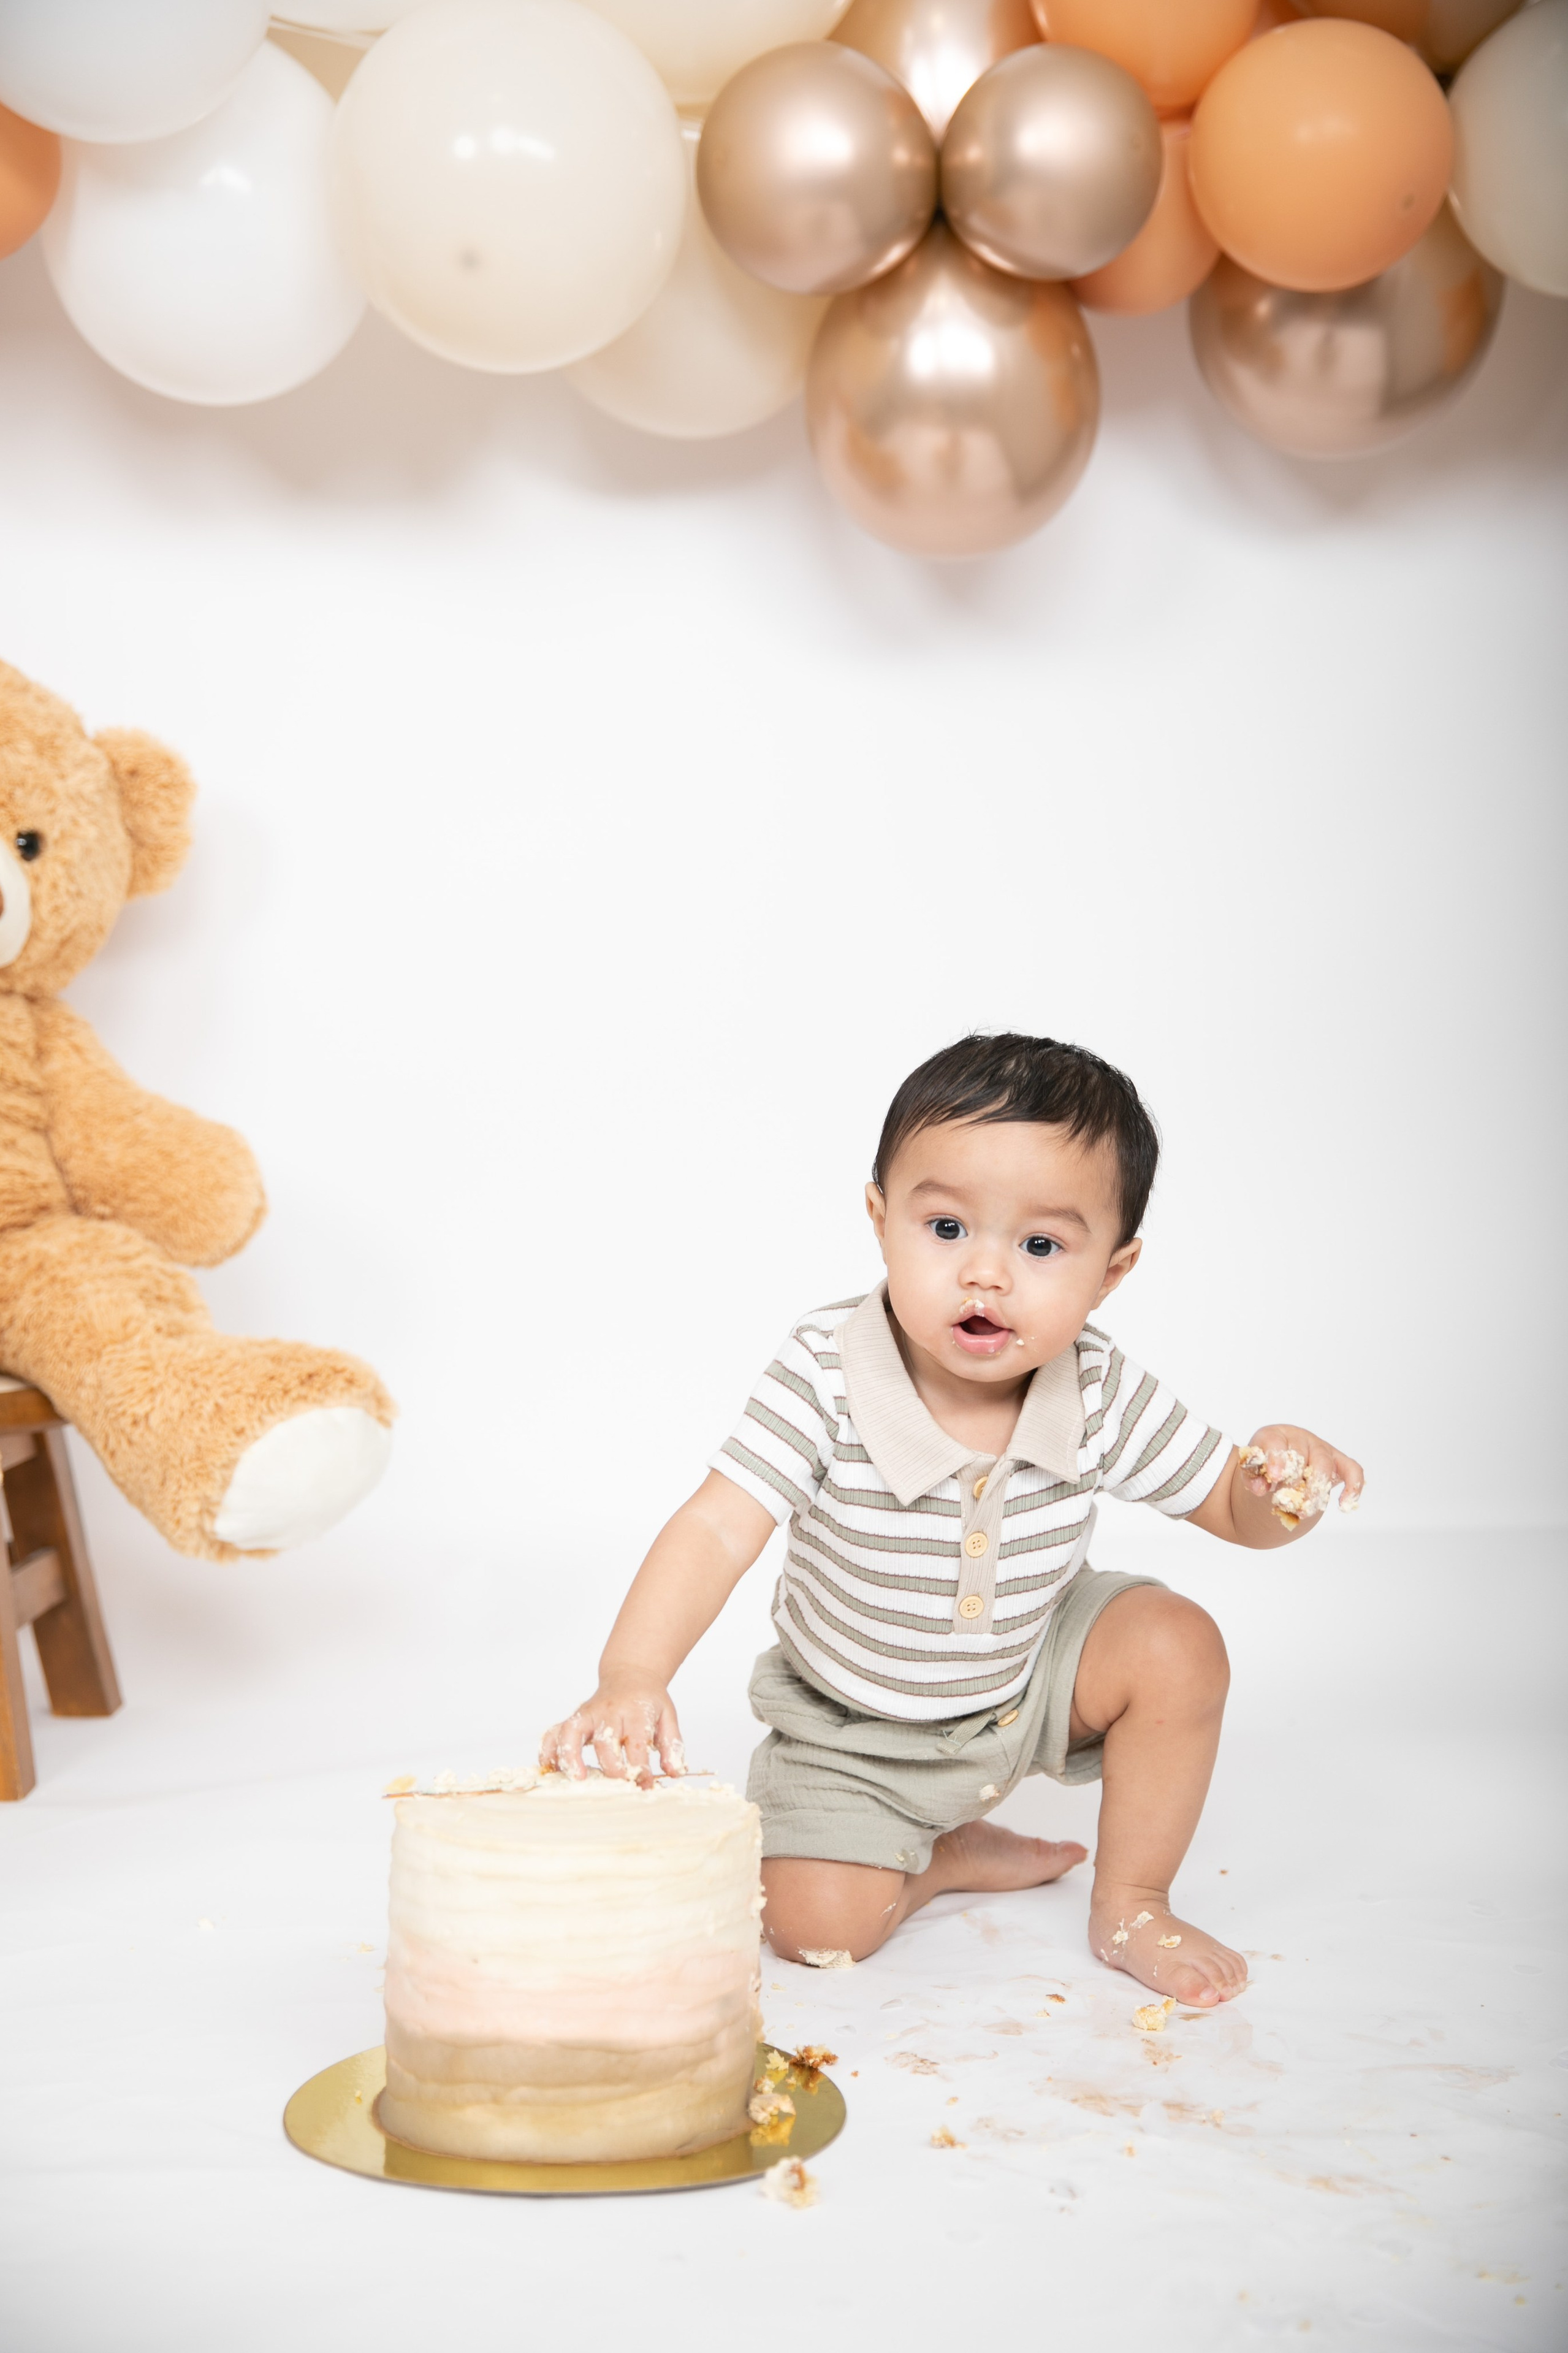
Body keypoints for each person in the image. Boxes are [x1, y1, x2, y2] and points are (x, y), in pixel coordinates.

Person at [541, 1033, 1363, 2007]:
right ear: (880, 1218)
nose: (985, 1274)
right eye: (944, 1230)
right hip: (856, 1724)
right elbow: (719, 1525)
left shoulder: (1094, 1384)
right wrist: (631, 1674)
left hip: (1022, 1682)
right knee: (814, 1930)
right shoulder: (826, 1370)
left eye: (1042, 1246)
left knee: (1177, 1644)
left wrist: (1281, 1491)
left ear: (1112, 1270)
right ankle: (936, 1855)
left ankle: (1133, 1897)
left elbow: (1229, 1504)